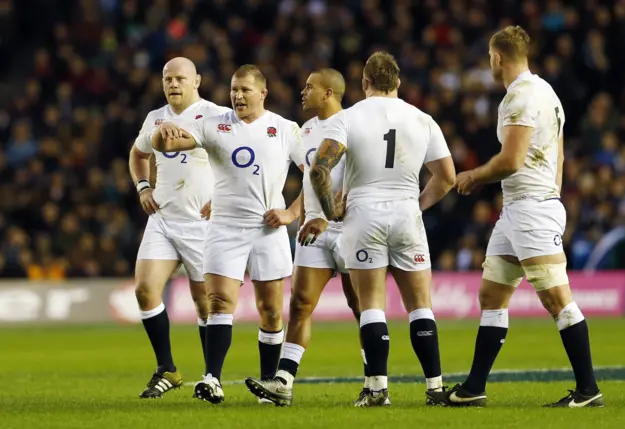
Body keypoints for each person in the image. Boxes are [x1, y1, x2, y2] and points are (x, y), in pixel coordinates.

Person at [427, 26, 604, 408]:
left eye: (489, 58)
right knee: (492, 294)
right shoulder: (546, 92)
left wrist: (473, 175)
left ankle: (589, 389)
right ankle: (474, 388)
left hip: (530, 208)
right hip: (521, 208)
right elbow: (557, 154)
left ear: (497, 58)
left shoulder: (520, 97)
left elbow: (511, 160)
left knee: (558, 299)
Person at [151, 64, 305, 405]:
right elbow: (167, 142)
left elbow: (316, 173)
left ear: (262, 93)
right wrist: (163, 137)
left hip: (268, 229)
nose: (237, 95)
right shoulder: (213, 124)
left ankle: (270, 386)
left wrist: (292, 213)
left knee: (271, 312)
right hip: (224, 227)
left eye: (245, 90)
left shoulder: (284, 129)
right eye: (234, 89)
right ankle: (212, 378)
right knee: (219, 303)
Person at [310, 52, 456, 407]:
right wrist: (417, 204)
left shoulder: (347, 118)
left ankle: (377, 389)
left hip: (363, 213)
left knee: (372, 305)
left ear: (364, 83)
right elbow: (447, 177)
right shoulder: (422, 119)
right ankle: (435, 388)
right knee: (421, 306)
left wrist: (331, 212)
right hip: (407, 210)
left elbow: (319, 171)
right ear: (398, 83)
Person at [244, 69, 368, 407]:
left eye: (310, 87)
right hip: (313, 230)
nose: (303, 91)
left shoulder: (354, 124)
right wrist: (293, 212)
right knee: (299, 304)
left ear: (328, 93)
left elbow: (365, 174)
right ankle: (283, 381)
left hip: (349, 229)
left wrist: (333, 214)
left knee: (361, 307)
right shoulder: (307, 130)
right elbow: (310, 178)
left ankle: (374, 383)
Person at [129, 57, 230, 399]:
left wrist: (225, 195)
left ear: (196, 81)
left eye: (180, 78)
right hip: (163, 219)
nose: (173, 84)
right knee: (144, 290)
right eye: (167, 79)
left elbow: (237, 159)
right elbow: (137, 154)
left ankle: (210, 377)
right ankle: (167, 368)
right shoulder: (154, 118)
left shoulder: (216, 115)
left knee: (205, 306)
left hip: (202, 224)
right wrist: (143, 187)